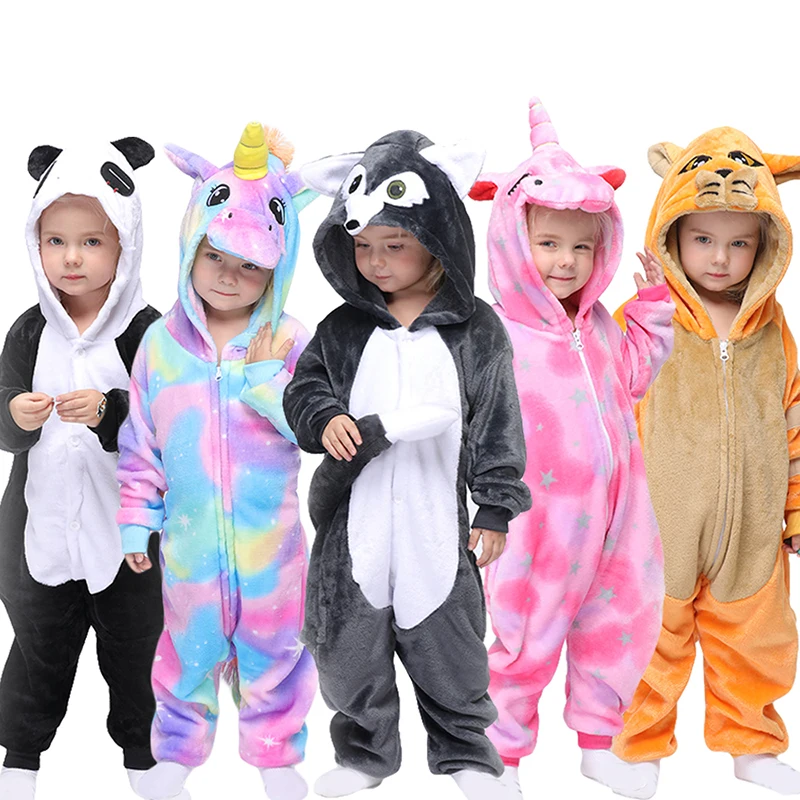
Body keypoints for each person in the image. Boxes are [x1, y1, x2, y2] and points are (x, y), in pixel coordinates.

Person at [285, 130, 531, 800]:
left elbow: (497, 420)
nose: (376, 261)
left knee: (451, 645)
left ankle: (468, 755)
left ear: (437, 235)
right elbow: (305, 390)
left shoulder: (474, 328)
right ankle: (365, 754)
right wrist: (324, 418)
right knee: (345, 649)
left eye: (395, 245)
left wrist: (495, 506)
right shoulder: (343, 328)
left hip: (435, 521)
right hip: (353, 525)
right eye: (362, 245)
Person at [469, 98, 674, 799]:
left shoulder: (601, 325)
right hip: (540, 521)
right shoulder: (496, 334)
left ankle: (599, 743)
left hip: (620, 514)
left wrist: (651, 311)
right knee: (524, 637)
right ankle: (499, 754)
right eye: (549, 244)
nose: (566, 261)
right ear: (513, 243)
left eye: (582, 247)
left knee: (620, 625)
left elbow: (634, 378)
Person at [116, 124, 317, 800]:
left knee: (276, 650)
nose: (230, 276)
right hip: (189, 545)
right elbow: (140, 441)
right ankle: (176, 750)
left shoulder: (289, 339)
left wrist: (265, 380)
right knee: (185, 649)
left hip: (272, 548)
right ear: (191, 249)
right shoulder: (160, 344)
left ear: (277, 267)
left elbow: (312, 428)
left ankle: (275, 754)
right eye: (216, 257)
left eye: (251, 265)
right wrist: (136, 520)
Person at [610, 128, 800, 798]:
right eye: (702, 239)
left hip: (753, 530)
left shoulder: (773, 330)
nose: (720, 258)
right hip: (657, 526)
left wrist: (795, 510)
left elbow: (794, 420)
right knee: (647, 638)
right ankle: (636, 747)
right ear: (671, 234)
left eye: (740, 242)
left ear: (766, 245)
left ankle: (752, 744)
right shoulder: (643, 317)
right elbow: (607, 413)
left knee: (756, 636)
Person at [0, 139, 163, 800]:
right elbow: (2, 418)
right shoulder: (29, 331)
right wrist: (15, 413)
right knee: (37, 647)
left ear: (126, 245)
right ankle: (20, 756)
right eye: (56, 241)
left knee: (138, 653)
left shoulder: (148, 333)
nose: (71, 257)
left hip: (128, 540)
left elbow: (171, 426)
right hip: (41, 529)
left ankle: (145, 758)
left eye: (92, 242)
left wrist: (109, 411)